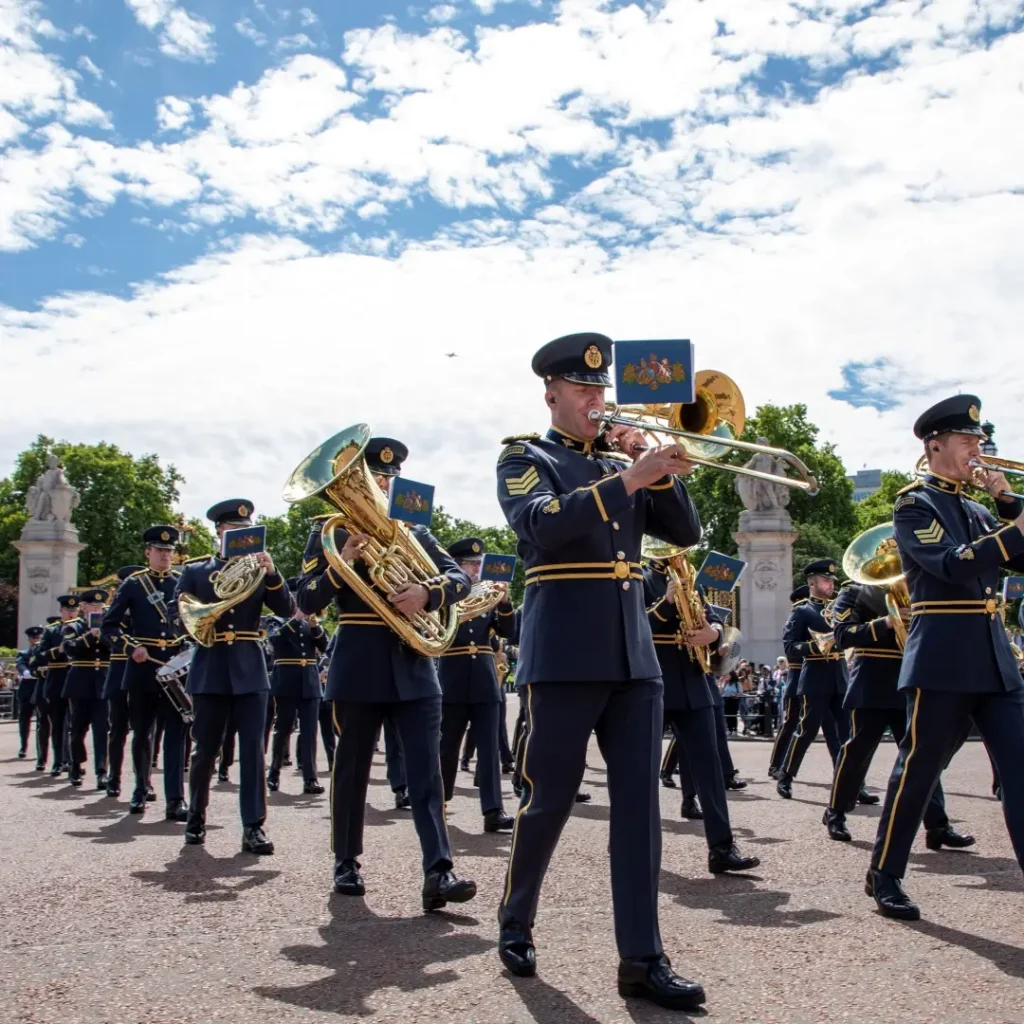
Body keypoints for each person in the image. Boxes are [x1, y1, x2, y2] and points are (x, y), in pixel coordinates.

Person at [495, 332, 707, 1011]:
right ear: (552, 392)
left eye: (600, 390)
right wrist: (629, 479)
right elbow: (542, 526)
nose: (595, 399)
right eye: (583, 389)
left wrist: (655, 464)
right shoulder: (526, 457)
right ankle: (516, 918)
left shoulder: (624, 458)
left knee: (639, 812)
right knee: (549, 798)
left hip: (632, 654)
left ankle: (642, 959)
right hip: (564, 651)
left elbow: (685, 533)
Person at [296, 437, 477, 910]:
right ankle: (346, 860)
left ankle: (439, 870)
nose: (383, 483)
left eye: (388, 477)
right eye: (374, 475)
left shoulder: (413, 527)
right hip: (358, 664)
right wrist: (344, 565)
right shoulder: (329, 531)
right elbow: (307, 600)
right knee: (352, 770)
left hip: (414, 666)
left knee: (427, 775)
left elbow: (458, 578)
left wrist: (428, 593)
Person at [866, 395, 1024, 919]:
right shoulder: (914, 505)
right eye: (966, 441)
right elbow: (952, 565)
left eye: (979, 441)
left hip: (994, 655)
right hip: (943, 653)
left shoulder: (982, 510)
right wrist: (1012, 532)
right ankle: (884, 872)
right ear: (935, 445)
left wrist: (1008, 504)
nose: (978, 450)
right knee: (920, 768)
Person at [175, 499, 295, 853]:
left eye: (246, 530)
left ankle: (253, 826)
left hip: (249, 666)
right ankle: (196, 814)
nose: (241, 535)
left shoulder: (259, 571)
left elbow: (287, 609)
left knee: (253, 751)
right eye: (234, 530)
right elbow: (176, 616)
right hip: (211, 667)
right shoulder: (197, 571)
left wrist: (273, 573)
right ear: (220, 531)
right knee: (206, 750)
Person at [823, 578, 974, 851]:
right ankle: (836, 812)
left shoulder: (919, 586)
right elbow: (843, 635)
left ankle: (937, 826)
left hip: (910, 680)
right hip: (872, 680)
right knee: (858, 750)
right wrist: (888, 621)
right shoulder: (855, 591)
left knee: (923, 753)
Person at [644, 558, 759, 874]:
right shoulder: (638, 577)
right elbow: (631, 626)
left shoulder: (688, 579)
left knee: (710, 770)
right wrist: (666, 603)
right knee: (639, 771)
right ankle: (634, 846)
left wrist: (715, 634)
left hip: (695, 682)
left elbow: (711, 620)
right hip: (652, 680)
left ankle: (721, 847)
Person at [102, 527, 189, 818]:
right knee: (142, 734)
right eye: (160, 550)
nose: (165, 555)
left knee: (177, 734)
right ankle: (141, 788)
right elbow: (109, 626)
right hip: (143, 667)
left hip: (175, 668)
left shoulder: (182, 583)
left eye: (169, 551)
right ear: (148, 553)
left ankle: (175, 799)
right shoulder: (133, 585)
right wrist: (130, 647)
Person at [437, 537, 516, 833]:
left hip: (484, 680)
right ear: (456, 566)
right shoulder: (444, 593)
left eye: (478, 565)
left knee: (489, 748)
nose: (476, 570)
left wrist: (505, 602)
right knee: (447, 747)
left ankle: (493, 810)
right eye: (471, 565)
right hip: (453, 677)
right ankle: (440, 800)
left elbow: (509, 631)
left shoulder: (489, 596)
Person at [775, 561, 851, 799]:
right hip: (815, 677)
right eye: (826, 581)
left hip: (839, 677)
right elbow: (789, 646)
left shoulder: (840, 608)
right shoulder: (802, 611)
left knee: (846, 734)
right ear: (812, 584)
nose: (831, 585)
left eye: (831, 581)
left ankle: (852, 783)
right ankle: (786, 775)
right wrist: (818, 645)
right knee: (806, 731)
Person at [266, 590, 328, 795]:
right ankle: (273, 772)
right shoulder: (275, 621)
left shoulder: (310, 624)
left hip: (309, 682)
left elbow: (325, 646)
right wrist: (297, 619)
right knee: (283, 728)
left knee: (310, 731)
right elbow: (275, 640)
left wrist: (315, 627)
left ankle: (310, 778)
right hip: (286, 681)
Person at [60, 588, 111, 789]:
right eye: (92, 605)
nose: (96, 609)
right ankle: (75, 764)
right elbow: (70, 648)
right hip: (80, 682)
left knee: (102, 729)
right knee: (77, 728)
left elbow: (114, 647)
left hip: (102, 683)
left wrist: (103, 634)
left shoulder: (110, 626)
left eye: (99, 606)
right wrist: (90, 636)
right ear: (84, 607)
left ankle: (102, 771)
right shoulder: (74, 626)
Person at [100, 564, 143, 799]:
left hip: (143, 668)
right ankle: (114, 777)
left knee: (144, 731)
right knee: (117, 730)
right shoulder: (114, 611)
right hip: (119, 668)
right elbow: (106, 637)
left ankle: (143, 781)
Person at [35, 600, 78, 775]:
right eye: (68, 610)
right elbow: (39, 657)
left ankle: (74, 761)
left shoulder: (81, 628)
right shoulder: (52, 631)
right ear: (61, 611)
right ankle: (59, 761)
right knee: (58, 724)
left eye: (74, 610)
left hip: (76, 679)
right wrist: (58, 650)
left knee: (76, 725)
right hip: (57, 680)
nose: (71, 613)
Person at [769, 586, 808, 778]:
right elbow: (792, 649)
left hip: (820, 679)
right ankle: (776, 765)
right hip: (799, 677)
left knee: (834, 729)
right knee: (790, 723)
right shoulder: (796, 620)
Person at [15, 627, 45, 760]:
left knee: (41, 721)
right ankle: (23, 746)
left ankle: (40, 750)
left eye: (38, 637)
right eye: (33, 638)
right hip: (27, 690)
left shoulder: (44, 652)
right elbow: (20, 664)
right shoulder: (24, 653)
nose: (36, 640)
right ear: (29, 639)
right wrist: (26, 672)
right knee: (24, 719)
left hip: (40, 688)